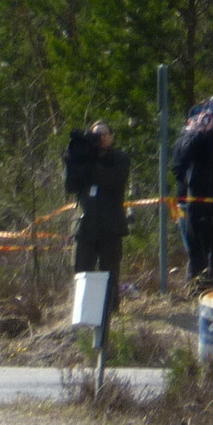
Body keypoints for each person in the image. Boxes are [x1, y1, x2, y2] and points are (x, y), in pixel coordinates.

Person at [170, 94, 213, 289]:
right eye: (209, 114)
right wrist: (199, 133)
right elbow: (181, 161)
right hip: (194, 201)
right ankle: (196, 286)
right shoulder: (191, 136)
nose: (212, 118)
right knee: (196, 248)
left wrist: (210, 134)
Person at [66, 121, 131, 323]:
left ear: (112, 136)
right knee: (81, 268)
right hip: (84, 224)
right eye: (95, 135)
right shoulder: (83, 156)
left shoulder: (119, 158)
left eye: (103, 134)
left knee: (109, 269)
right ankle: (83, 313)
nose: (100, 138)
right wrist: (72, 160)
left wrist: (91, 162)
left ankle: (110, 313)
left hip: (110, 226)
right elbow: (70, 186)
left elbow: (114, 179)